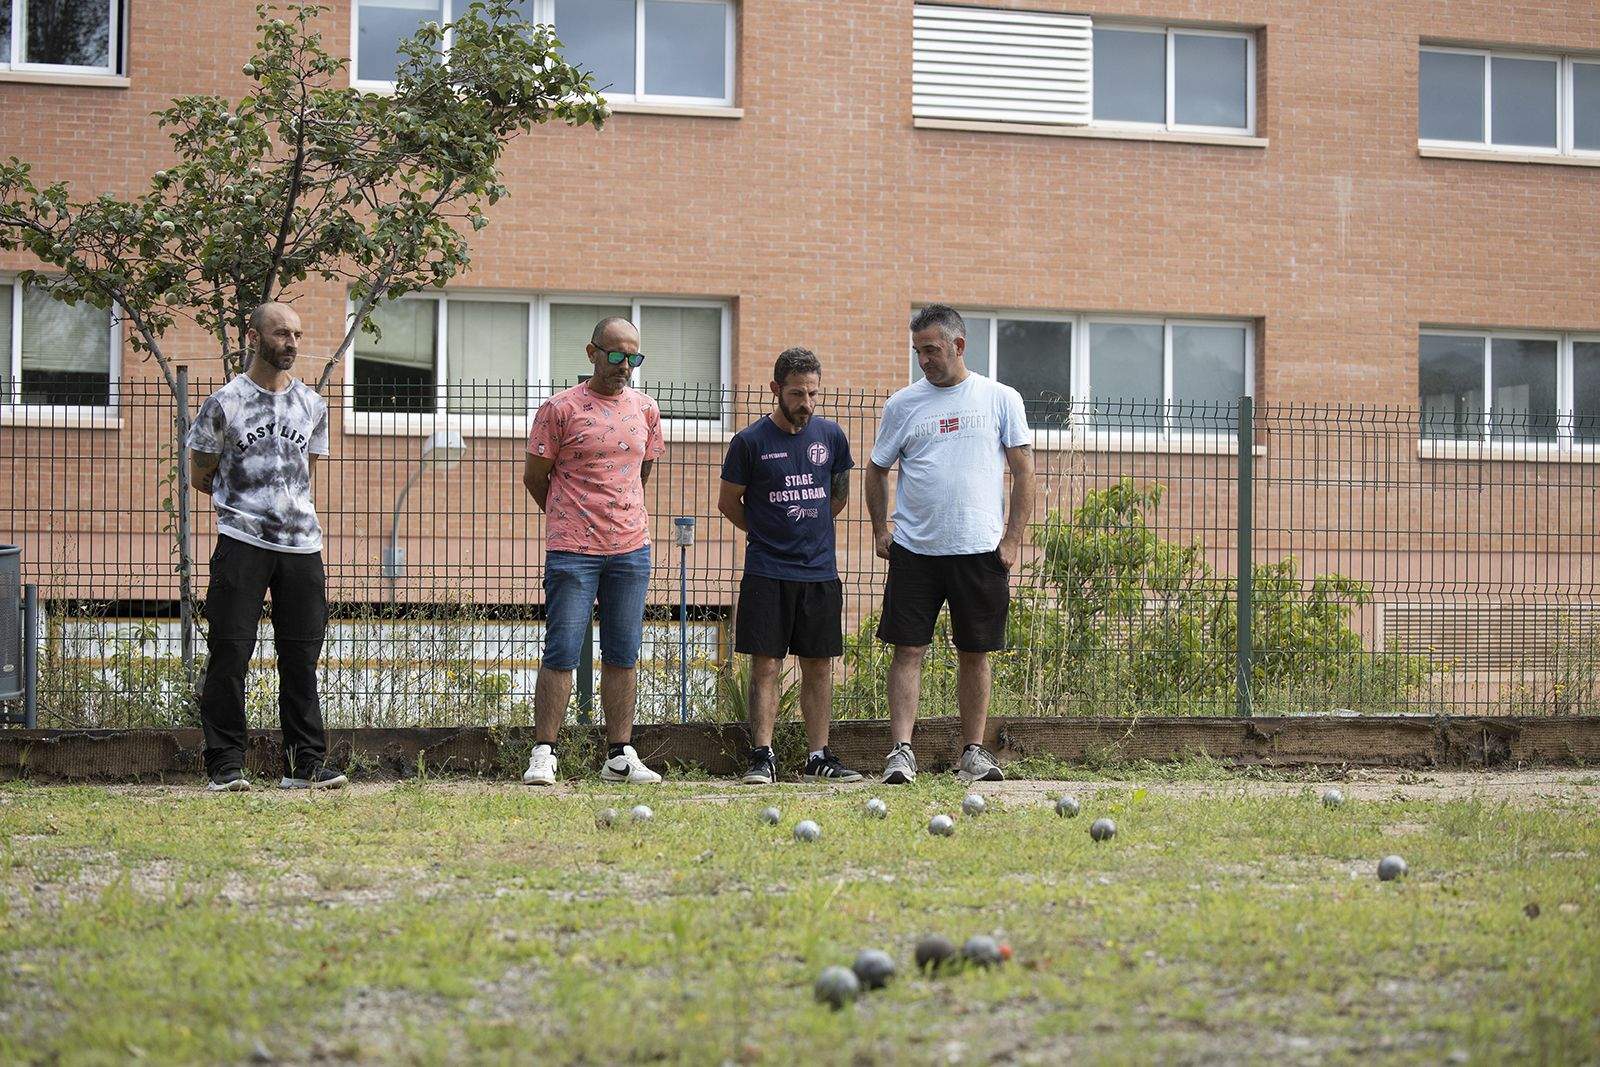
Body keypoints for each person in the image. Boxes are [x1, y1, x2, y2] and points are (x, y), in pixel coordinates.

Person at [864, 304, 1036, 785]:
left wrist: (1012, 540)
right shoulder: (902, 405)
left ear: (958, 346)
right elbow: (876, 469)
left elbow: (1025, 472)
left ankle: (974, 753)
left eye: (931, 350)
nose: (923, 360)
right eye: (917, 351)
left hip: (980, 551)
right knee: (907, 650)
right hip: (915, 552)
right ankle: (901, 753)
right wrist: (880, 529)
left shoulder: (1000, 398)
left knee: (975, 653)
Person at [187, 301, 347, 792]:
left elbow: (303, 475)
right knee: (230, 652)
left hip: (302, 547)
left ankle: (305, 765)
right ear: (254, 338)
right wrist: (246, 504)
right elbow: (200, 475)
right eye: (281, 334)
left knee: (301, 657)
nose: (291, 343)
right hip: (242, 542)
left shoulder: (312, 405)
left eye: (296, 335)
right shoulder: (225, 403)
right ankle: (225, 765)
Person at [520, 317, 667, 785]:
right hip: (572, 551)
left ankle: (619, 755)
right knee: (562, 650)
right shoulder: (559, 409)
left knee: (623, 652)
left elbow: (640, 474)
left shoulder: (646, 410)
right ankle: (544, 753)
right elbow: (535, 477)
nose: (625, 365)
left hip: (631, 550)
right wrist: (569, 516)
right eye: (617, 355)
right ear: (592, 352)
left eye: (633, 357)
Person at [718, 348, 862, 785]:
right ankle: (762, 756)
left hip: (819, 572)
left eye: (813, 394)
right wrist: (767, 531)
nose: (806, 403)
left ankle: (818, 756)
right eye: (797, 393)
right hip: (767, 570)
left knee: (819, 664)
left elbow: (838, 497)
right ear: (776, 389)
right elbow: (728, 502)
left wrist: (807, 529)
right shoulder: (749, 442)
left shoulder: (832, 437)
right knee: (766, 665)